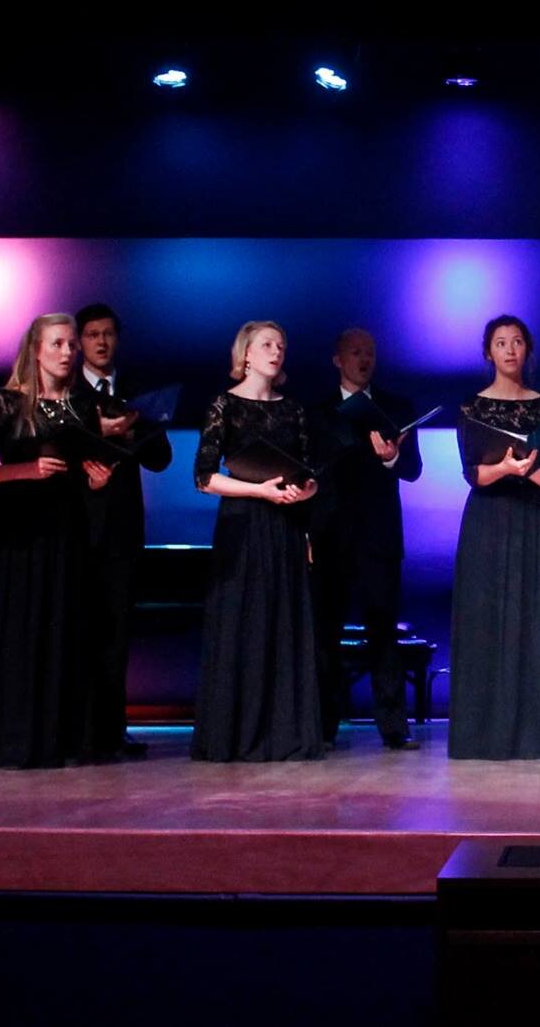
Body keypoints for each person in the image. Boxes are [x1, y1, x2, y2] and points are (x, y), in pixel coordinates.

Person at [0, 313, 114, 769]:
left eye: (71, 345)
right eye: (59, 344)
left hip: (65, 533)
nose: (68, 352)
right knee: (17, 631)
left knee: (61, 627)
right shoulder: (9, 402)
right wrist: (22, 471)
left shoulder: (83, 406)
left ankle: (59, 738)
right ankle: (11, 739)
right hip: (16, 532)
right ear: (37, 350)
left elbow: (85, 472)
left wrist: (97, 480)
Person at [191, 321, 327, 762]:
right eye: (266, 344)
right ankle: (235, 734)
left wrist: (304, 492)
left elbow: (307, 474)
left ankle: (283, 735)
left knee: (282, 623)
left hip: (284, 528)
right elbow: (204, 477)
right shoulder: (224, 405)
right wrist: (259, 491)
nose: (276, 351)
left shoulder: (294, 410)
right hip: (243, 526)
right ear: (245, 355)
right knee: (241, 622)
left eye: (281, 345)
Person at [449, 315, 540, 760]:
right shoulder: (471, 407)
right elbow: (472, 473)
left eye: (518, 341)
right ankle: (483, 733)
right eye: (501, 342)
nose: (510, 349)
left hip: (534, 518)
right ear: (488, 352)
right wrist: (505, 468)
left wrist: (533, 473)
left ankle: (537, 733)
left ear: (527, 349)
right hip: (489, 518)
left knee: (535, 618)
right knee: (487, 619)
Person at [308, 327, 424, 751]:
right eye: (355, 352)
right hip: (330, 537)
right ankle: (322, 727)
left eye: (370, 352)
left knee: (383, 634)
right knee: (326, 635)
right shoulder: (317, 411)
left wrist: (392, 455)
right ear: (337, 359)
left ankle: (393, 726)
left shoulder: (396, 407)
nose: (364, 359)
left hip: (379, 538)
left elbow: (412, 470)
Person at [72, 303, 174, 761]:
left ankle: (112, 728)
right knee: (77, 628)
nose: (101, 341)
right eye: (92, 333)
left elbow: (161, 459)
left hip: (121, 531)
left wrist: (132, 435)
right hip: (74, 526)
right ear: (78, 342)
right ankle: (75, 727)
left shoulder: (135, 393)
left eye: (109, 333)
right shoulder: (66, 391)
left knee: (116, 632)